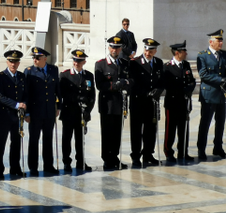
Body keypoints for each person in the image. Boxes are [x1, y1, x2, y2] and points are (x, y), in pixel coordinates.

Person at [95, 37, 132, 171]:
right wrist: (115, 85)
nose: (114, 50)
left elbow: (130, 80)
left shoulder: (124, 63)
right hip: (108, 104)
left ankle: (115, 157)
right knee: (107, 133)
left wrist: (126, 84)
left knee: (117, 132)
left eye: (117, 47)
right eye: (112, 47)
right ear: (109, 48)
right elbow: (100, 85)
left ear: (121, 48)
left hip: (120, 103)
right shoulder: (101, 64)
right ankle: (107, 158)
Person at [24, 47, 61, 175]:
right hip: (35, 112)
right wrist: (27, 112)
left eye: (37, 58)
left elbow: (57, 90)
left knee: (48, 139)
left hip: (49, 111)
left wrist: (59, 106)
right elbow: (26, 93)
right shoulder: (29, 71)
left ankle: (48, 165)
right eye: (33, 57)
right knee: (34, 140)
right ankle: (33, 167)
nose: (35, 60)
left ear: (45, 58)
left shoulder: (53, 70)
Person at [129, 38, 165, 168]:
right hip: (138, 101)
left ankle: (148, 154)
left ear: (155, 51)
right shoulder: (135, 63)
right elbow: (133, 83)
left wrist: (159, 90)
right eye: (146, 49)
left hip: (152, 103)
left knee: (151, 129)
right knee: (136, 130)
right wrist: (146, 93)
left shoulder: (159, 63)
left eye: (151, 50)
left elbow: (162, 81)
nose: (148, 52)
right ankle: (136, 156)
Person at [59, 50, 95, 172]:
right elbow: (62, 93)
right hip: (69, 112)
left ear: (84, 62)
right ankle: (66, 162)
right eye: (75, 60)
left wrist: (88, 111)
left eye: (79, 61)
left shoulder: (88, 76)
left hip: (81, 113)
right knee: (67, 139)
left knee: (80, 139)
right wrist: (77, 98)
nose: (76, 63)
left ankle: (81, 161)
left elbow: (92, 96)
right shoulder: (65, 75)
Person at [0, 50, 27, 180]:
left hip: (18, 115)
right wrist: (17, 104)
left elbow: (25, 94)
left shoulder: (22, 76)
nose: (13, 64)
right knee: (0, 142)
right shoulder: (0, 76)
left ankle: (15, 167)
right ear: (7, 62)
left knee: (16, 142)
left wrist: (24, 104)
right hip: (4, 114)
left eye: (16, 61)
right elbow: (0, 96)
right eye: (11, 61)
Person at [163, 41, 196, 163]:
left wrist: (190, 88)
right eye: (184, 51)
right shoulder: (167, 67)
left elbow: (191, 80)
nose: (186, 53)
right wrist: (182, 89)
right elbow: (167, 85)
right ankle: (168, 152)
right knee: (170, 129)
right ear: (177, 53)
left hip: (184, 102)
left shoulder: (186, 65)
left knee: (184, 129)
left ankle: (183, 151)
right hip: (172, 103)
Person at [197, 29, 226, 160]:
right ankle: (201, 149)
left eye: (221, 40)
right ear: (211, 42)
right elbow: (203, 75)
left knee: (220, 123)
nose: (221, 43)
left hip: (221, 95)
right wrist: (221, 80)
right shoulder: (202, 56)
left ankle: (218, 147)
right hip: (208, 95)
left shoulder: (224, 55)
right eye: (218, 41)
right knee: (205, 123)